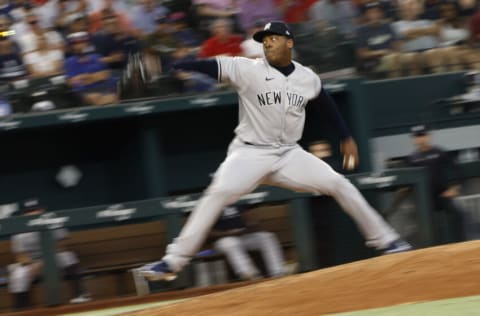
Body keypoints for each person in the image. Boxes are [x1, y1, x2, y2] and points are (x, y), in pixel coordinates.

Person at [138, 20, 412, 282]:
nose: (267, 44)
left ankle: (387, 240)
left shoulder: (307, 77)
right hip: (249, 154)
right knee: (218, 193)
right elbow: (208, 66)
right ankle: (173, 261)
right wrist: (173, 65)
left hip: (289, 155)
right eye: (264, 40)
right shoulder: (248, 69)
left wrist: (345, 136)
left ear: (289, 42)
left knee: (339, 183)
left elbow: (325, 102)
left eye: (273, 39)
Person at [390, 125, 469, 243]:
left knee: (457, 213)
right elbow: (407, 181)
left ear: (428, 136)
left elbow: (455, 169)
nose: (420, 139)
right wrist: (405, 191)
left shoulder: (439, 152)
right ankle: (428, 247)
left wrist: (454, 187)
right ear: (413, 139)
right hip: (424, 199)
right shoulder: (412, 158)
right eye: (417, 136)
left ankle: (461, 244)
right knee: (423, 223)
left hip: (443, 194)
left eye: (422, 135)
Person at [8, 198, 90, 309]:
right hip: (32, 264)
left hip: (53, 258)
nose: (34, 213)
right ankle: (22, 308)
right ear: (24, 214)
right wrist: (30, 265)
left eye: (37, 210)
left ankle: (81, 294)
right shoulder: (19, 229)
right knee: (18, 275)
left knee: (68, 256)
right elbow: (20, 255)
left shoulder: (53, 221)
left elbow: (61, 246)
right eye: (29, 211)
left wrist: (44, 262)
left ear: (42, 210)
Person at [209, 205, 286, 281]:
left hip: (242, 236)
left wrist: (249, 225)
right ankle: (251, 276)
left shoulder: (237, 202)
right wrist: (227, 233)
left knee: (267, 237)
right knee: (233, 243)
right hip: (222, 240)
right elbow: (208, 233)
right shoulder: (212, 205)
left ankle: (278, 273)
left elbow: (249, 220)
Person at [65, 31, 118, 106]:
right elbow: (71, 83)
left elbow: (105, 75)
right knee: (94, 97)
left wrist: (85, 78)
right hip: (84, 92)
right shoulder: (70, 61)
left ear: (87, 44)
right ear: (72, 46)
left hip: (104, 88)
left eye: (82, 42)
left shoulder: (97, 57)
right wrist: (94, 77)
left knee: (112, 97)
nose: (80, 45)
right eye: (76, 43)